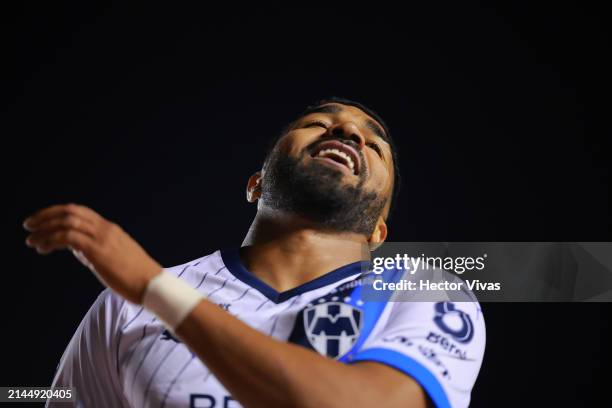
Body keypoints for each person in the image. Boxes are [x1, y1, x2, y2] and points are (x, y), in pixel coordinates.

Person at [23, 97, 485, 408]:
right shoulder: (124, 303)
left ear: (379, 231)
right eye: (317, 124)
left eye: (376, 144)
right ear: (255, 184)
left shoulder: (423, 291)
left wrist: (157, 290)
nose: (347, 130)